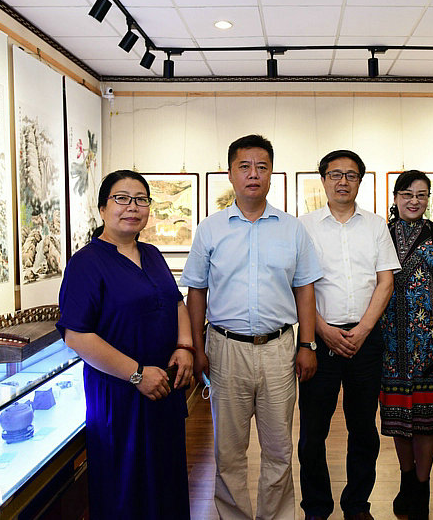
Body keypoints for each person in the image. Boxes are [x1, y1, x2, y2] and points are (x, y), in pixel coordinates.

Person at [180, 134, 322, 520]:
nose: (253, 174)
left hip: (279, 349)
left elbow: (305, 289)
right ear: (230, 174)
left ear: (272, 173)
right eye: (244, 166)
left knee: (279, 450)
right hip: (225, 348)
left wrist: (307, 345)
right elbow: (196, 292)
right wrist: (197, 348)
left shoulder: (292, 229)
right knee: (228, 452)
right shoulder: (210, 229)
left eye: (262, 167)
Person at [56, 169, 195, 519]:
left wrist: (184, 347)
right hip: (119, 397)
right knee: (126, 489)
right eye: (121, 198)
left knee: (166, 482)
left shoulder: (152, 254)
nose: (132, 206)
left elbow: (176, 303)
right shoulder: (86, 263)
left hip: (164, 388)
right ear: (103, 208)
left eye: (141, 199)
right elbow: (76, 335)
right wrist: (137, 374)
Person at [297, 150, 400, 520]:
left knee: (363, 430)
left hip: (365, 341)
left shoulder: (375, 226)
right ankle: (316, 507)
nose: (343, 181)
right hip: (318, 340)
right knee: (313, 432)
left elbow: (385, 281)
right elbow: (297, 285)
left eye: (351, 175)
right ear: (323, 179)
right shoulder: (303, 227)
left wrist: (363, 330)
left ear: (360, 180)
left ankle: (357, 505)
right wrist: (322, 330)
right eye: (335, 174)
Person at [379, 170, 433, 520]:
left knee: (427, 420)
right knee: (397, 419)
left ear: (428, 199)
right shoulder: (379, 235)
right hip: (388, 346)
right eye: (407, 194)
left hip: (430, 347)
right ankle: (406, 478)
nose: (414, 200)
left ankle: (422, 486)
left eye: (421, 194)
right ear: (395, 197)